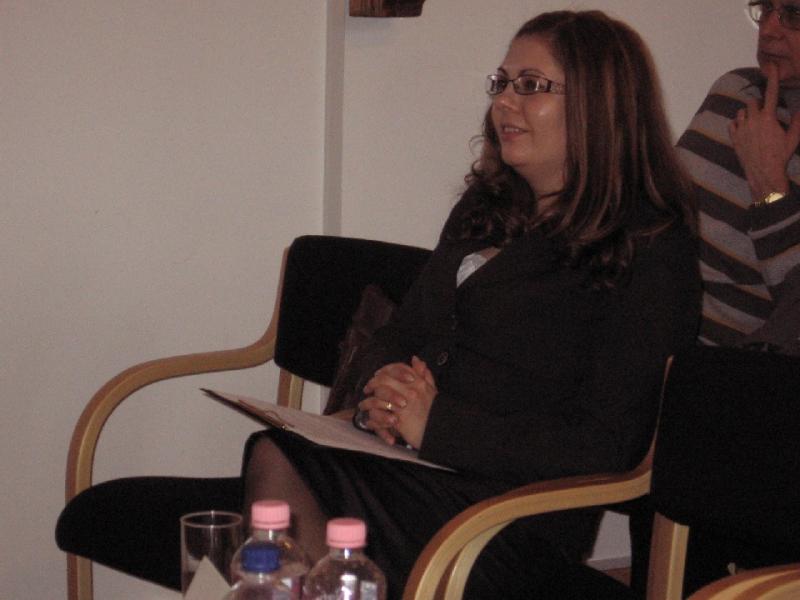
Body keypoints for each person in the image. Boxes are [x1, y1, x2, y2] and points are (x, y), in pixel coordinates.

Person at [243, 10, 700, 599]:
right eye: (502, 83)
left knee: (282, 465)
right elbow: (401, 333)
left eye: (531, 85)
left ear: (599, 104)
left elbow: (608, 442)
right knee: (277, 454)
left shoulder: (649, 247)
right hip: (415, 469)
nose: (504, 102)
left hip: (514, 512)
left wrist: (436, 425)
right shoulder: (484, 209)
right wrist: (380, 398)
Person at [676, 0, 800, 353]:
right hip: (644, 336)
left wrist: (770, 188)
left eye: (794, 14)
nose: (769, 29)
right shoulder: (734, 90)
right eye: (766, 8)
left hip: (732, 371)